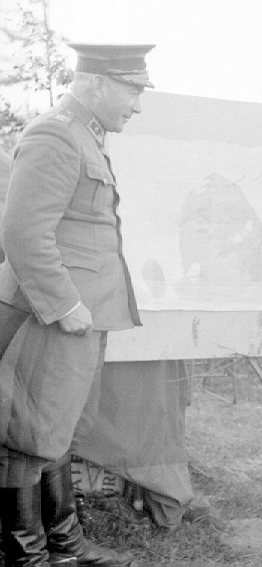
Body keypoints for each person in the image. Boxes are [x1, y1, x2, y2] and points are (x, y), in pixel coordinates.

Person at [0, 43, 155, 567]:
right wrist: (66, 305)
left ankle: (65, 546)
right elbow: (23, 233)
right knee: (26, 435)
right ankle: (27, 556)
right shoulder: (55, 134)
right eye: (132, 91)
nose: (137, 105)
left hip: (77, 317)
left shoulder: (85, 136)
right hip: (47, 316)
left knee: (56, 429)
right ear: (97, 83)